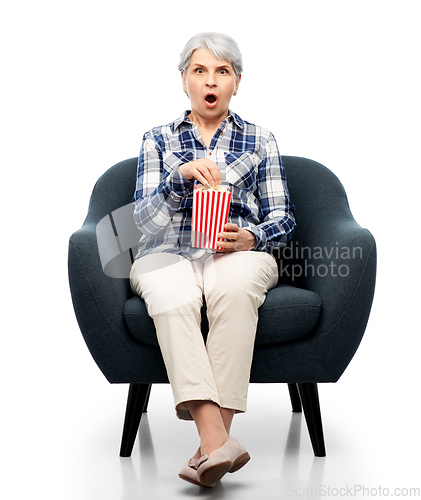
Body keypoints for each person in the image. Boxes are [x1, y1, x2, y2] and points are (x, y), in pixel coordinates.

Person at [130, 32, 296, 487]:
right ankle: (218, 440)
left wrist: (251, 236)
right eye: (200, 70)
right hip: (167, 251)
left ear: (236, 82)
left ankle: (209, 450)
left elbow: (284, 216)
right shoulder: (157, 139)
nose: (211, 80)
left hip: (238, 253)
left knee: (234, 287)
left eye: (222, 71)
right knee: (172, 290)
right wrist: (178, 178)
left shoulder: (260, 139)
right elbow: (142, 222)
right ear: (184, 80)